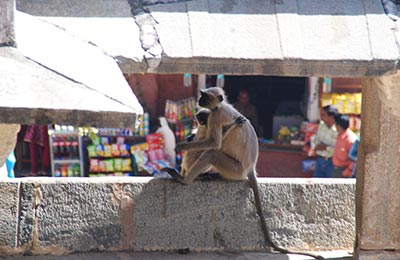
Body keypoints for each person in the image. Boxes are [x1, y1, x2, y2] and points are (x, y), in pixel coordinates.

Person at [311, 105, 338, 178]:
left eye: (323, 115)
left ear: (331, 117)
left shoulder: (338, 130)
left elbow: (339, 148)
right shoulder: (321, 126)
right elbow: (315, 139)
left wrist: (326, 148)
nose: (321, 118)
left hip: (331, 162)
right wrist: (315, 146)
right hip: (320, 160)